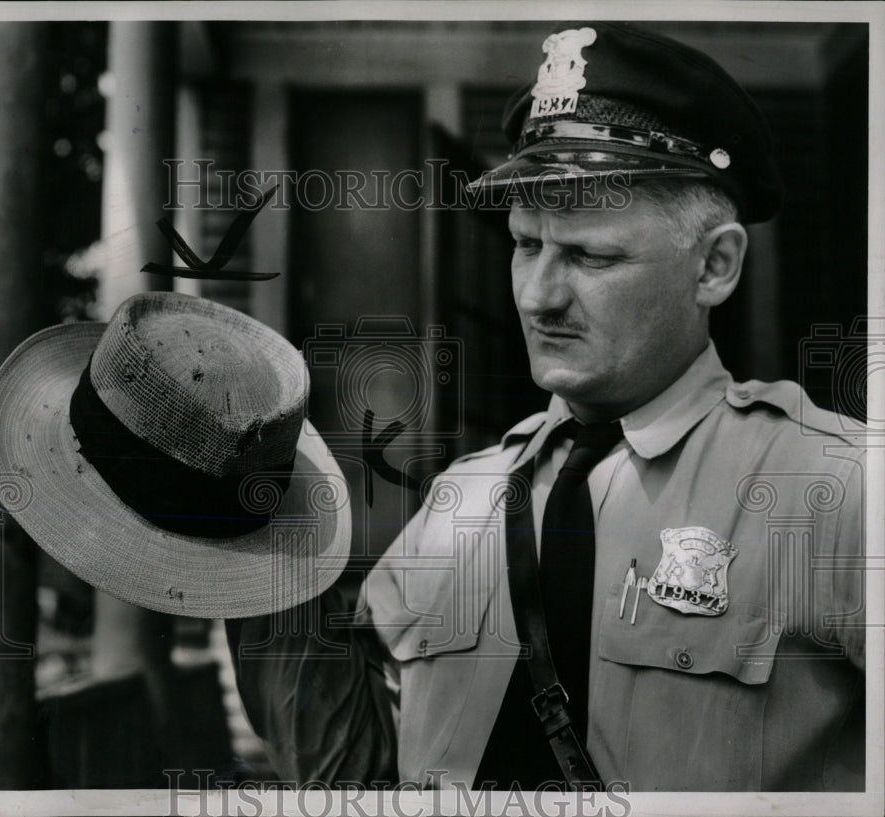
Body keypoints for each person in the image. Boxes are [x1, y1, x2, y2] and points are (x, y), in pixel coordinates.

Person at [226, 22, 866, 792]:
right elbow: (353, 777)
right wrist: (249, 536)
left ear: (715, 266)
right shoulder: (458, 503)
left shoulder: (837, 488)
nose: (539, 295)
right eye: (527, 244)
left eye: (592, 256)